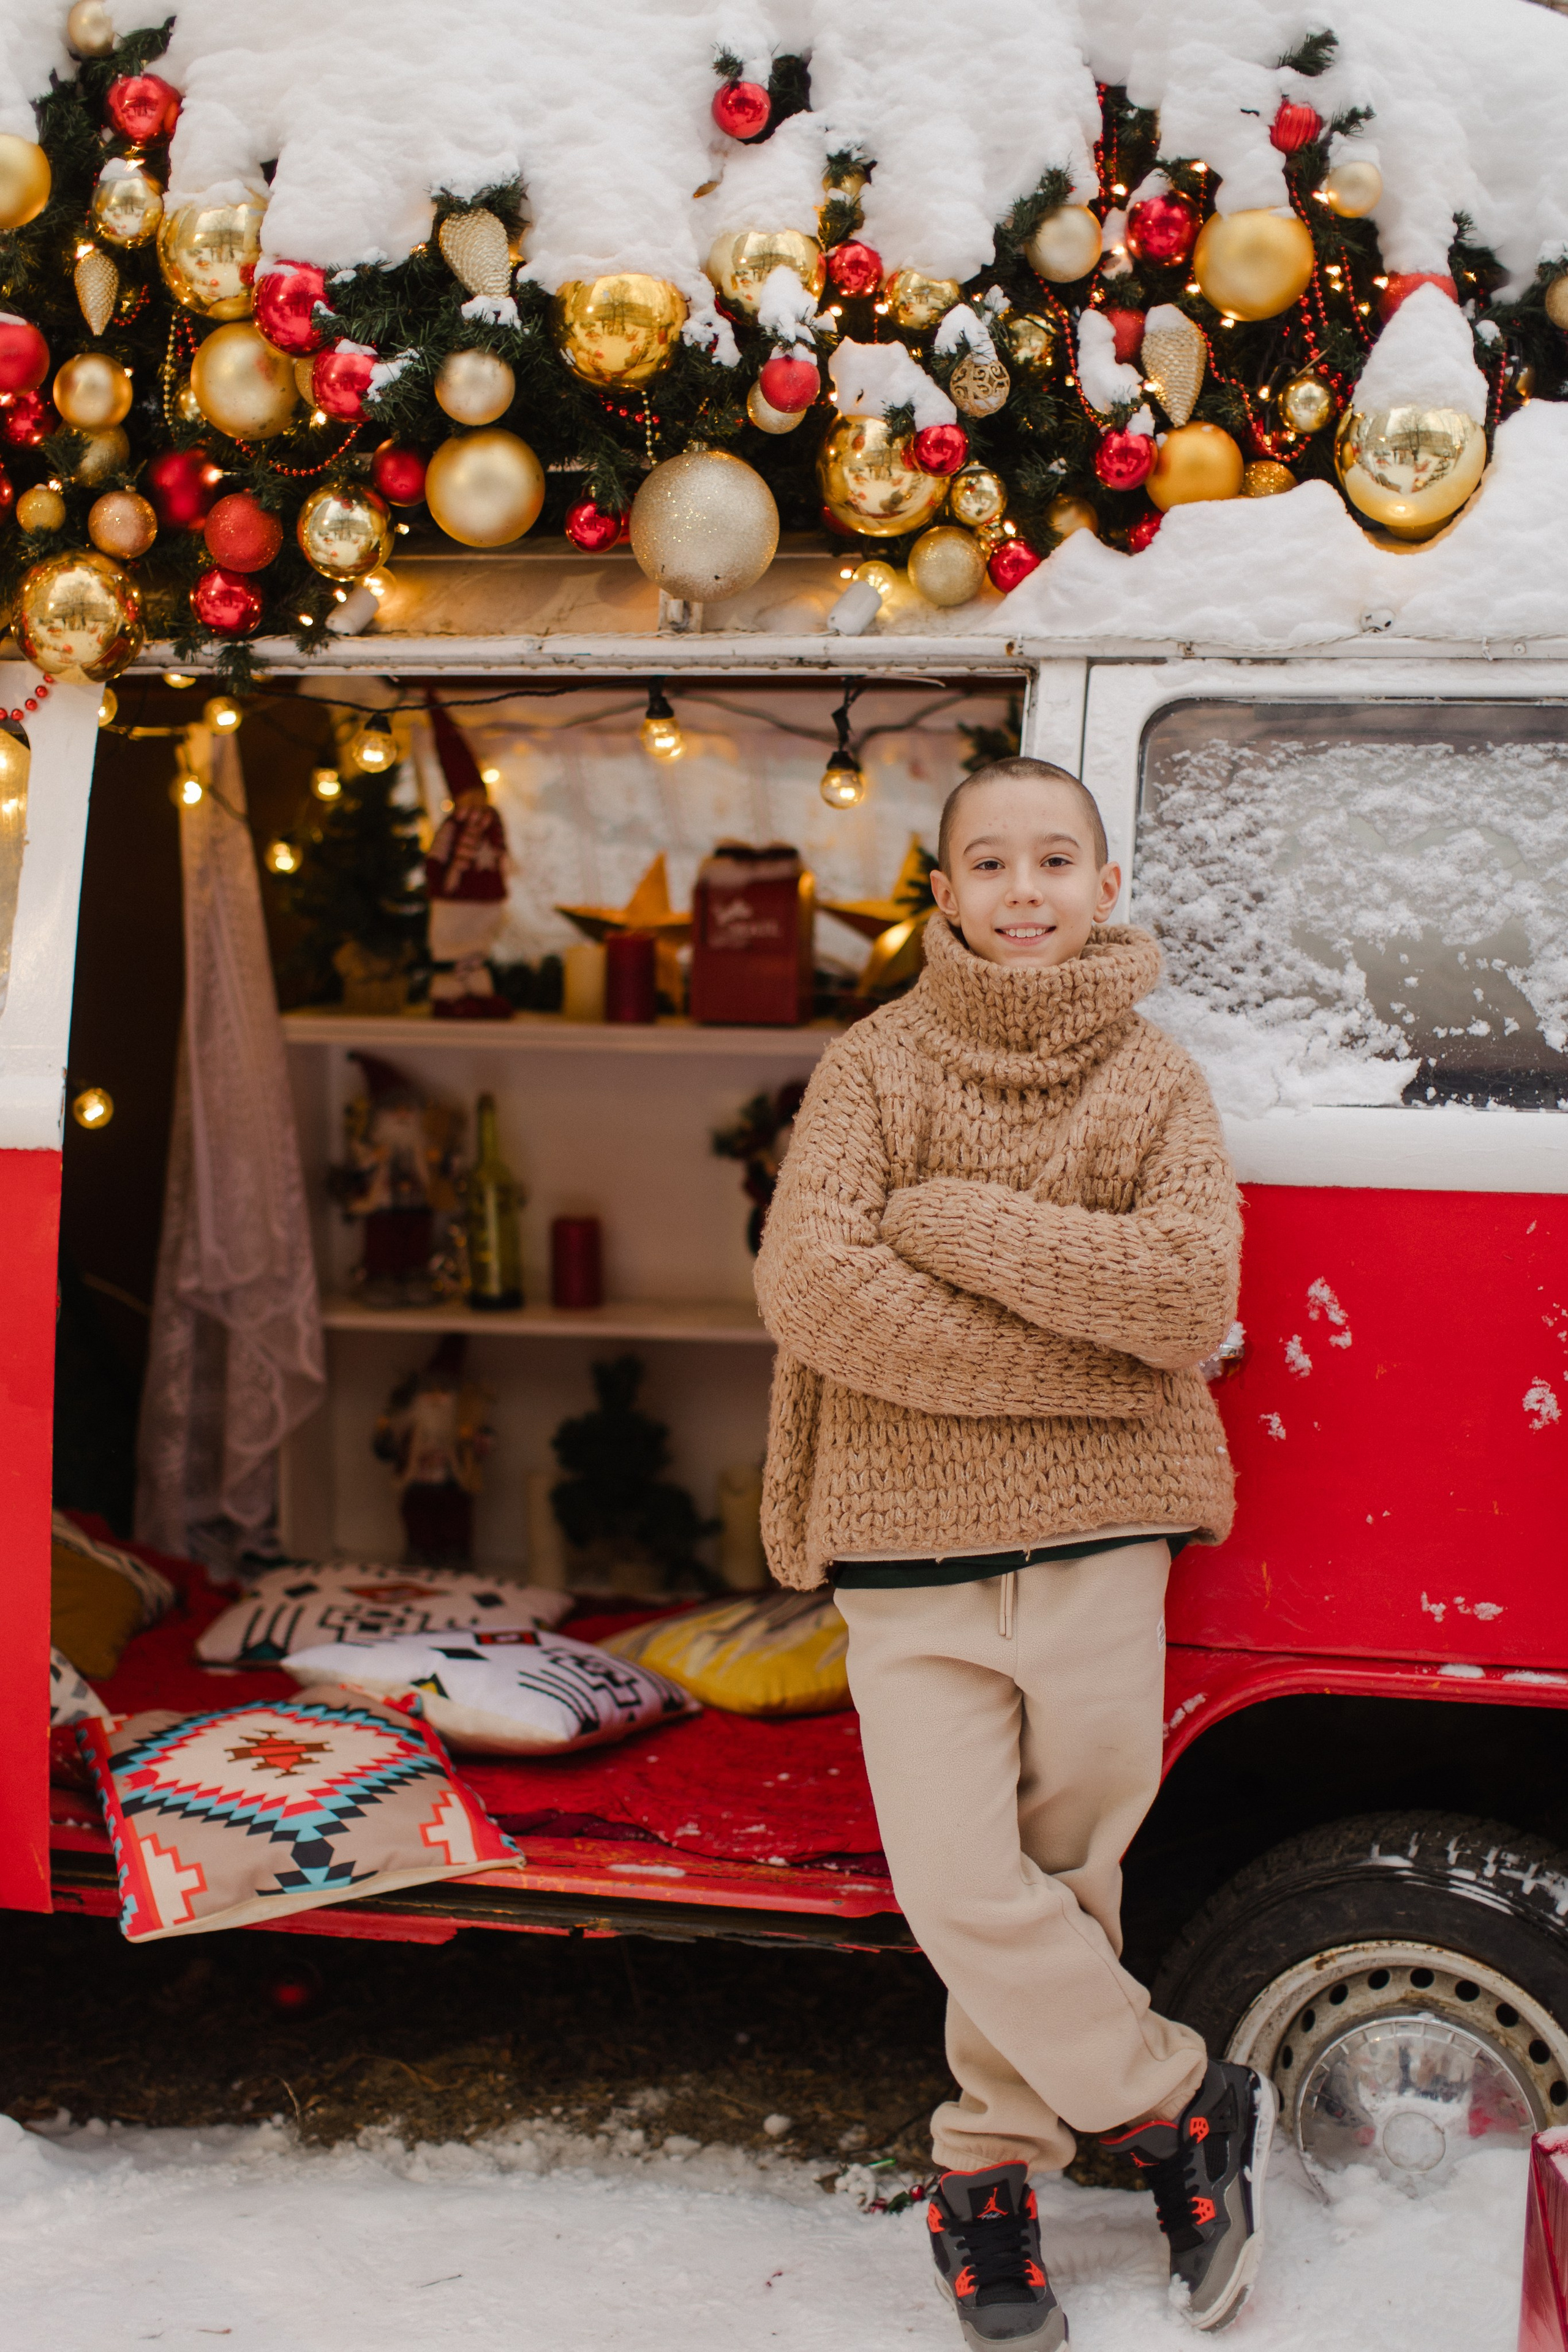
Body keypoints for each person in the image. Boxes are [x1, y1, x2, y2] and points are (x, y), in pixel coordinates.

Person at [754, 756, 1269, 2346]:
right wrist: (1095, 1371)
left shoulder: (1156, 1081)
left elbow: (1182, 1296)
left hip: (1104, 1542)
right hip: (907, 1549)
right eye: (991, 862)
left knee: (1066, 1878)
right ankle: (1178, 2105)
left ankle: (987, 2177)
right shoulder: (874, 1068)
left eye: (1056, 860)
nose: (1024, 889)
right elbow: (814, 1290)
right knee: (960, 1881)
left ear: (1106, 888)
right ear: (947, 892)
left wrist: (951, 1224)